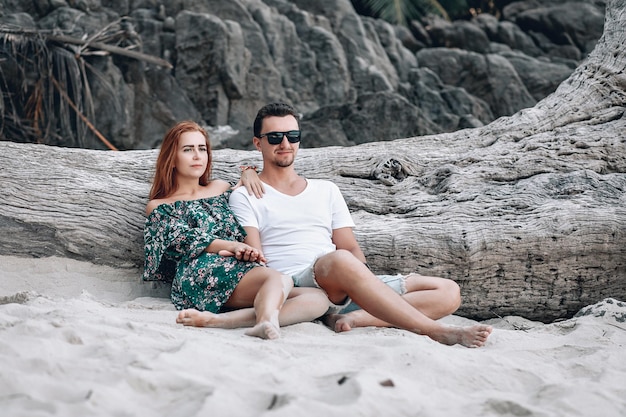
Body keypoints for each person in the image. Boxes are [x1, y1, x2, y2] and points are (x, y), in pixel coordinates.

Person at [229, 103, 493, 347]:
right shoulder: (246, 194)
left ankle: (357, 319)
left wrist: (362, 278)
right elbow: (258, 262)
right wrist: (246, 170)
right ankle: (433, 330)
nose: (285, 143)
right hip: (299, 284)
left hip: (343, 277)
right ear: (257, 143)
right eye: (275, 137)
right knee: (339, 260)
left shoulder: (326, 190)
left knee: (448, 291)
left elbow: (350, 247)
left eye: (293, 136)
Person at [142, 120, 329, 340]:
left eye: (202, 149)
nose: (197, 156)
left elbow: (253, 185)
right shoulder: (160, 205)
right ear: (171, 158)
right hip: (201, 271)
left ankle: (223, 321)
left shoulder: (221, 188)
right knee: (280, 280)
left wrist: (248, 171)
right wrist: (232, 245)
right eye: (187, 149)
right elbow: (184, 239)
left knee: (317, 300)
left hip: (240, 265)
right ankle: (266, 321)